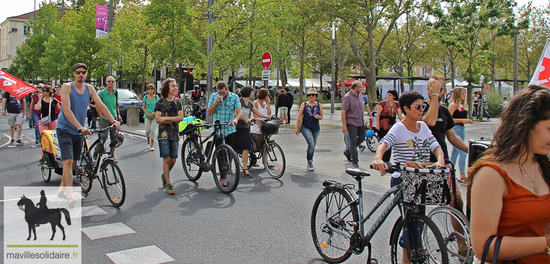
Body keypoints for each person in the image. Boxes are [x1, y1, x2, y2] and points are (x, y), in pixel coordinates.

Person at [468, 85, 550, 263]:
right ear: (526, 125)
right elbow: (483, 247)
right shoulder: (492, 174)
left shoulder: (542, 165)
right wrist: (546, 243)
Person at [372, 91, 444, 262]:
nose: (421, 110)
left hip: (422, 180)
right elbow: (384, 144)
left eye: (423, 106)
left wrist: (440, 160)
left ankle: (411, 256)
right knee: (411, 224)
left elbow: (436, 146)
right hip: (403, 180)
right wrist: (378, 158)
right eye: (418, 107)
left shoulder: (424, 127)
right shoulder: (399, 128)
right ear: (405, 109)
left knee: (417, 224)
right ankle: (407, 260)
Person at [56, 63, 120, 205]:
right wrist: (80, 127)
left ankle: (61, 189)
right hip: (65, 129)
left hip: (78, 131)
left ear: (86, 74)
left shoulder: (89, 88)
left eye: (83, 72)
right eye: (78, 72)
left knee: (73, 162)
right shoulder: (67, 87)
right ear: (74, 74)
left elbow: (101, 105)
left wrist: (113, 121)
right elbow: (66, 109)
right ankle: (70, 195)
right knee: (67, 161)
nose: (81, 75)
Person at [207, 81, 243, 186]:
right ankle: (223, 176)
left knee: (229, 152)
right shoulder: (214, 97)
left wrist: (236, 119)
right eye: (219, 93)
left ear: (227, 89)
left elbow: (240, 111)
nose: (221, 95)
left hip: (230, 128)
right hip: (218, 128)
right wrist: (216, 103)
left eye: (223, 93)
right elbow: (209, 112)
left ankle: (227, 168)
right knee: (220, 153)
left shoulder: (234, 97)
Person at [155, 78, 183, 195]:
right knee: (166, 159)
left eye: (176, 86)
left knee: (173, 160)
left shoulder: (178, 102)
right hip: (163, 134)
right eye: (173, 86)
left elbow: (180, 118)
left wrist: (166, 118)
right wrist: (172, 120)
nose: (175, 88)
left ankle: (164, 176)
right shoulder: (160, 102)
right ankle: (168, 184)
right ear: (167, 88)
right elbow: (158, 119)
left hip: (174, 133)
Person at [235, 86, 269, 177]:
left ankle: (245, 169)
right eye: (252, 92)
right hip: (237, 127)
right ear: (248, 92)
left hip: (246, 128)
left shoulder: (250, 103)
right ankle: (230, 166)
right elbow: (235, 114)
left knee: (246, 148)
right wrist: (245, 119)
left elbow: (257, 112)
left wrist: (267, 117)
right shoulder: (239, 101)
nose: (253, 94)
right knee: (234, 149)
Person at [448, 87, 473, 181]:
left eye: (465, 93)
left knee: (455, 153)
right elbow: (449, 119)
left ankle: (449, 172)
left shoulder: (465, 105)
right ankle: (462, 175)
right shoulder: (453, 105)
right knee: (462, 152)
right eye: (462, 93)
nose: (464, 95)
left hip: (462, 128)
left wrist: (468, 120)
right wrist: (462, 120)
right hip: (455, 128)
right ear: (458, 94)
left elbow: (465, 117)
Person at [295, 88, 323, 171]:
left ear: (316, 96)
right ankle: (310, 162)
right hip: (306, 127)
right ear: (307, 96)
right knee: (311, 144)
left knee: (313, 145)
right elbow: (299, 117)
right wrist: (297, 127)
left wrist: (319, 117)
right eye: (310, 95)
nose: (311, 96)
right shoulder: (304, 104)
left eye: (313, 95)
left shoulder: (319, 105)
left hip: (316, 128)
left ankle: (310, 159)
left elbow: (321, 116)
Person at [341, 81, 367, 168]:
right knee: (353, 141)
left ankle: (348, 150)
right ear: (356, 88)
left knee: (362, 137)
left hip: (360, 121)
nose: (362, 89)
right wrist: (344, 125)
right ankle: (355, 160)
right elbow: (343, 111)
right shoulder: (347, 97)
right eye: (361, 87)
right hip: (351, 121)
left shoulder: (360, 95)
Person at [96, 76, 122, 156]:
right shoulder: (102, 93)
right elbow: (97, 104)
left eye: (112, 81)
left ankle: (112, 154)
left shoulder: (115, 92)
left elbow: (116, 104)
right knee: (103, 136)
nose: (111, 83)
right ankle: (96, 151)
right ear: (106, 83)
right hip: (104, 118)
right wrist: (100, 115)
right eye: (109, 81)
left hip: (113, 117)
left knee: (114, 138)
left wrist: (118, 115)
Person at [375, 89, 403, 162]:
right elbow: (378, 114)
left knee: (390, 142)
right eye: (388, 95)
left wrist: (403, 122)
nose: (388, 96)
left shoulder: (397, 104)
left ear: (394, 96)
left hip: (392, 123)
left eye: (390, 95)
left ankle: (387, 159)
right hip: (383, 123)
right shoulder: (382, 103)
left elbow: (399, 115)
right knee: (383, 140)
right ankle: (382, 158)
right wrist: (377, 125)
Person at [250, 88, 272, 166]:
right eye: (267, 95)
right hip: (257, 126)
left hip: (265, 126)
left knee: (265, 144)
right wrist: (258, 124)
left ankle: (266, 161)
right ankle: (252, 159)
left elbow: (269, 114)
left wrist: (268, 104)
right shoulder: (255, 103)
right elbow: (255, 115)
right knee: (256, 145)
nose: (268, 96)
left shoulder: (265, 104)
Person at [143, 83, 159, 151]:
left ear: (154, 90)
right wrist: (148, 114)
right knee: (147, 130)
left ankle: (151, 145)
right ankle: (148, 139)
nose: (150, 90)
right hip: (147, 116)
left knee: (152, 130)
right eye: (148, 89)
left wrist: (153, 114)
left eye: (151, 88)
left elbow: (158, 107)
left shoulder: (156, 97)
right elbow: (143, 107)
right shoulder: (145, 97)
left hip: (154, 116)